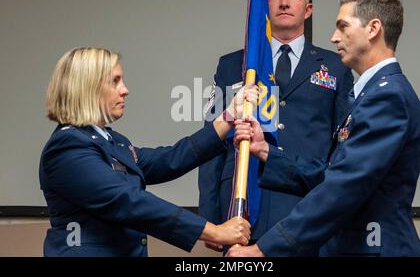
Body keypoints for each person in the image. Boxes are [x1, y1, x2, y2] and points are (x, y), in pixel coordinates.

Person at [228, 0, 420, 257]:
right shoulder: (371, 93)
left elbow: (343, 186)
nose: (334, 38)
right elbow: (332, 173)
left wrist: (264, 249)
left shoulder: (387, 96)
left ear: (373, 29)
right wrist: (266, 152)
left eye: (343, 27)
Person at [40, 47, 258, 257]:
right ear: (87, 88)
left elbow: (169, 159)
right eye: (115, 81)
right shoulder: (68, 147)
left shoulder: (113, 141)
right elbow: (128, 201)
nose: (125, 90)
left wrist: (229, 116)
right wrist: (214, 231)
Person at [198, 0, 353, 251]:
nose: (283, 3)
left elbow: (342, 146)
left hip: (309, 208)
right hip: (243, 210)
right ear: (263, 6)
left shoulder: (336, 67)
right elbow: (211, 142)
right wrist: (209, 221)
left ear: (307, 10)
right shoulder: (234, 65)